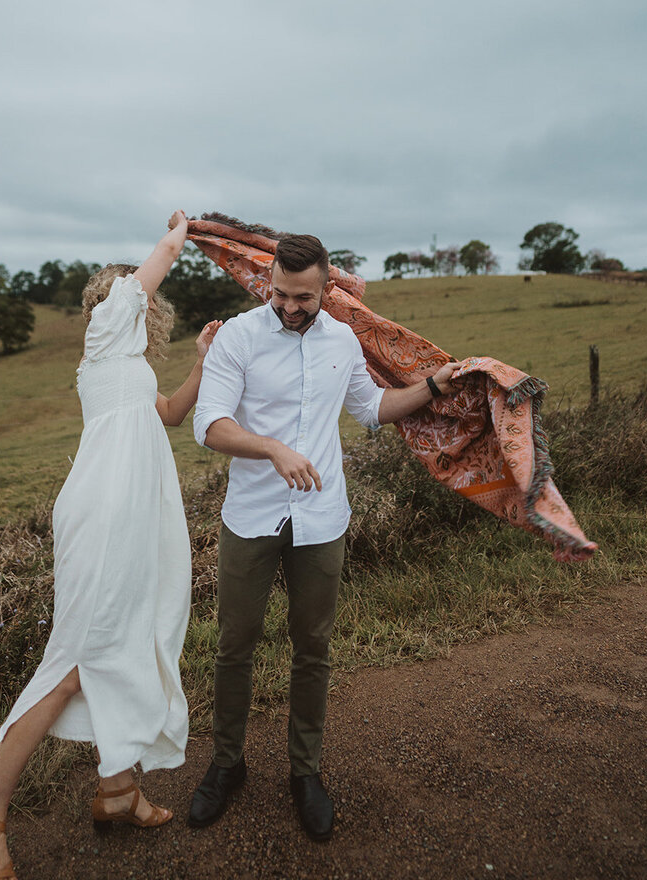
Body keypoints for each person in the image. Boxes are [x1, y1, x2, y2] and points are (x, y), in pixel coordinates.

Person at [0, 211, 221, 880]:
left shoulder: (126, 369)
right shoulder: (105, 340)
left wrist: (199, 362)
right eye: (125, 291)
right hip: (104, 518)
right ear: (113, 306)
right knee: (77, 659)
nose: (130, 296)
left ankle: (117, 790)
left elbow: (175, 413)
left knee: (130, 640)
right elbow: (154, 265)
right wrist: (186, 230)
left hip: (134, 519)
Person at [188, 233, 460, 842]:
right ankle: (227, 764)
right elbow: (209, 424)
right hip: (251, 516)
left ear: (327, 288)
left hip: (322, 517)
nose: (288, 306)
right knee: (236, 646)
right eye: (279, 294)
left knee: (313, 647)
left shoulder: (343, 339)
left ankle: (304, 773)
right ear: (270, 284)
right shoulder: (238, 336)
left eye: (302, 297)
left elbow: (372, 408)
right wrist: (270, 447)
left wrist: (435, 386)